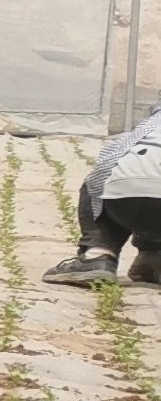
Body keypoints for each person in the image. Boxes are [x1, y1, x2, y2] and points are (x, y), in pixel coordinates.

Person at [47, 106, 161, 284]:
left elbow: (108, 162)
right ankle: (154, 254)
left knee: (100, 180)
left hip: (125, 197)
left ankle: (98, 254)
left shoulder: (152, 123)